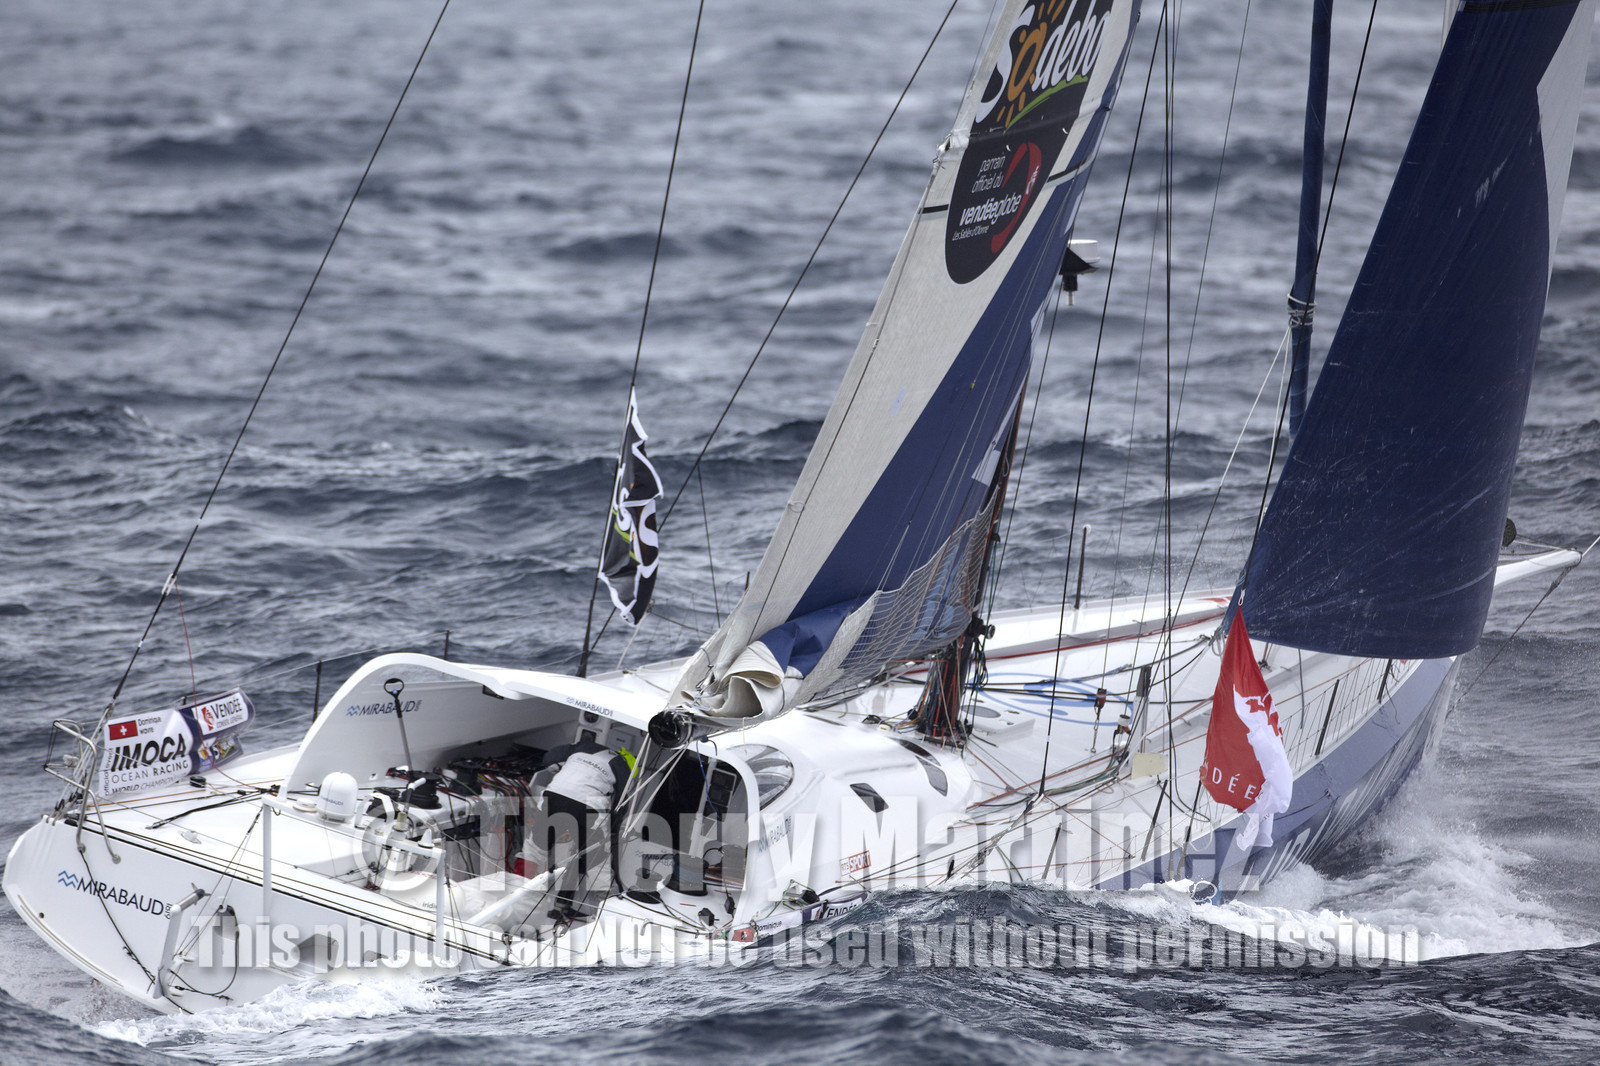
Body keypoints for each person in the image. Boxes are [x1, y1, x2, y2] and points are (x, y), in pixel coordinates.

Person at [539, 737, 632, 921]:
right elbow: (622, 802)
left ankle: (546, 902)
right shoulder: (622, 765)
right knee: (597, 861)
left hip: (552, 795)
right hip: (588, 805)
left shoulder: (582, 746)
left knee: (540, 850)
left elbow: (550, 758)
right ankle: (608, 913)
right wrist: (612, 828)